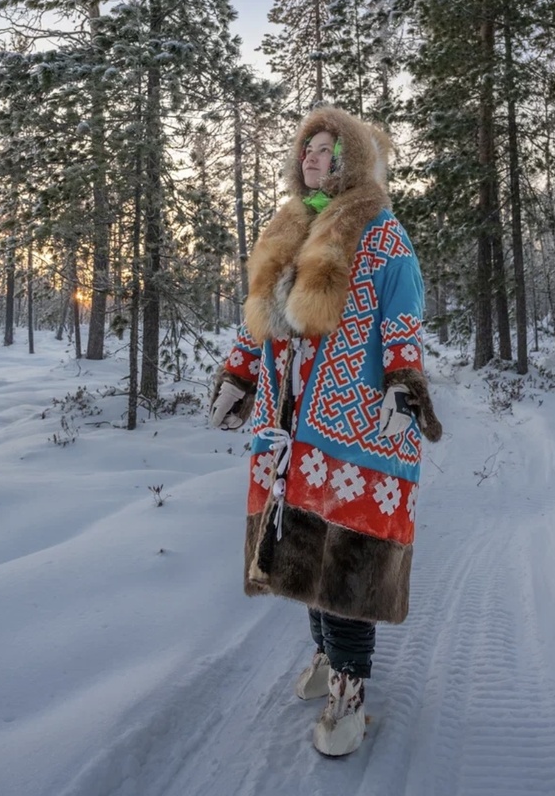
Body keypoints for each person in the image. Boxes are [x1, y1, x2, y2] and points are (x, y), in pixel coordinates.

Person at [210, 105, 441, 756]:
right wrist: (239, 373)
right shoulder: (286, 228)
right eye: (306, 146)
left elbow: (402, 320)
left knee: (348, 568)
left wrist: (404, 386)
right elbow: (258, 317)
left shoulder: (382, 235)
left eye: (326, 147)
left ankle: (350, 690)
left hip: (358, 428)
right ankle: (322, 653)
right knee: (303, 554)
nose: (311, 155)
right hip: (291, 430)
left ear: (353, 161)